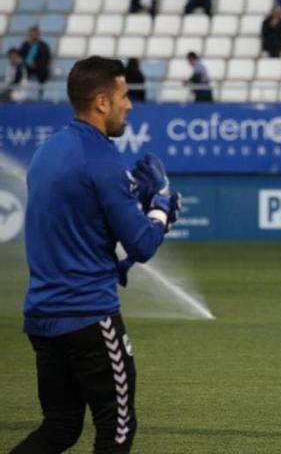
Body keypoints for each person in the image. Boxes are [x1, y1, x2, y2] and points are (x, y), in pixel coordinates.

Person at [10, 55, 181, 454]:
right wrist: (158, 209)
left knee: (60, 427)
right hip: (89, 316)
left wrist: (130, 196)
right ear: (102, 101)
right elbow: (141, 243)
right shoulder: (102, 159)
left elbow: (84, 233)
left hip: (41, 317)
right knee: (116, 432)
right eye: (124, 95)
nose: (130, 104)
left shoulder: (47, 152)